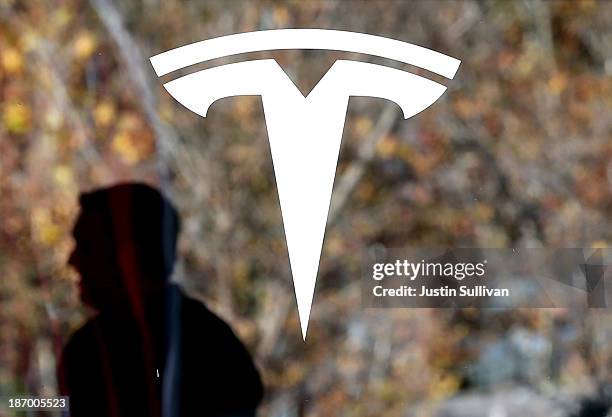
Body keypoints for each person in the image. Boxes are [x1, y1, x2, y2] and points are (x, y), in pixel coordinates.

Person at [58, 183, 263, 417]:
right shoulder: (212, 340)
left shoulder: (90, 350)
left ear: (129, 256)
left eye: (87, 247)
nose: (72, 261)